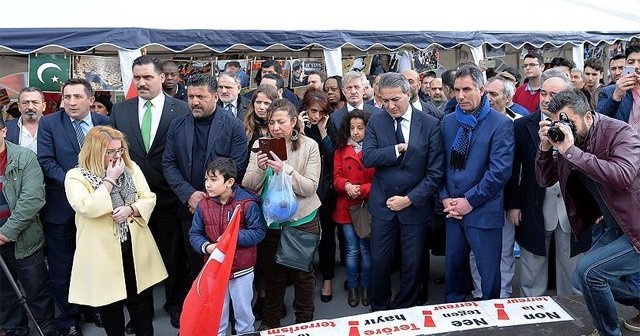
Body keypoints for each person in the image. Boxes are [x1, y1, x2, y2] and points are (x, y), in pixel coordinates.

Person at [536, 89, 640, 336]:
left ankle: (607, 332)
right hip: (616, 223)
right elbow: (544, 180)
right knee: (581, 278)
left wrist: (571, 151)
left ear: (589, 117)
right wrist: (543, 147)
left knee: (590, 273)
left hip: (635, 224)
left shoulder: (621, 132)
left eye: (569, 121)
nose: (564, 128)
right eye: (559, 122)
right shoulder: (566, 141)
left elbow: (623, 176)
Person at [110, 54, 190, 330]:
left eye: (147, 77)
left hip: (169, 197)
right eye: (137, 78)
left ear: (162, 78)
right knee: (136, 260)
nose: (141, 83)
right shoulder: (120, 110)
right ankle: (140, 312)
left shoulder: (180, 110)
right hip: (132, 203)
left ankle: (176, 304)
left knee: (173, 256)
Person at [64, 126, 167, 336]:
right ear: (95, 150)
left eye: (119, 150)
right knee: (110, 308)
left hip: (134, 248)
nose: (116, 156)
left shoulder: (131, 167)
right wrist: (110, 180)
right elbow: (87, 207)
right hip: (102, 254)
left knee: (141, 304)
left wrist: (131, 209)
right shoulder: (75, 176)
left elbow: (149, 197)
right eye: (110, 151)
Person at [162, 74, 248, 323]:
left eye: (201, 96)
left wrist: (209, 198)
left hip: (222, 212)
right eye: (191, 96)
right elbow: (169, 163)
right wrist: (189, 194)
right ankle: (197, 316)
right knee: (193, 264)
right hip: (188, 209)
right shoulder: (177, 125)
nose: (195, 101)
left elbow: (237, 166)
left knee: (222, 269)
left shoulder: (232, 126)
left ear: (215, 96)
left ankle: (222, 318)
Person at [362, 72, 444, 311]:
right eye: (384, 100)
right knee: (379, 260)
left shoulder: (430, 124)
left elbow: (435, 173)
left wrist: (409, 199)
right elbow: (368, 157)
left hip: (414, 206)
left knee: (412, 263)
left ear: (408, 93)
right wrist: (395, 150)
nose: (390, 105)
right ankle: (379, 307)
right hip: (383, 206)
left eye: (395, 99)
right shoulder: (377, 121)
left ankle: (406, 307)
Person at [505, 70, 588, 298]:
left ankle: (572, 321)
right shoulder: (522, 126)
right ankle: (530, 318)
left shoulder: (580, 125)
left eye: (554, 94)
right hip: (535, 207)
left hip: (572, 210)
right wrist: (513, 204)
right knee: (532, 272)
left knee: (572, 274)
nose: (546, 98)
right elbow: (513, 169)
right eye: (543, 93)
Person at [37, 78, 110, 336]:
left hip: (98, 208)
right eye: (67, 97)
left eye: (77, 97)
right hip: (62, 209)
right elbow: (45, 161)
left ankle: (93, 308)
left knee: (94, 262)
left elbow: (113, 159)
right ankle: (68, 318)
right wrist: (76, 184)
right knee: (63, 266)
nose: (71, 102)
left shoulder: (104, 124)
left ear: (91, 100)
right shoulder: (49, 123)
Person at [242, 99, 321, 329]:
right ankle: (270, 323)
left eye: (281, 122)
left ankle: (303, 322)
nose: (275, 128)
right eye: (271, 122)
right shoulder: (260, 144)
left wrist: (285, 170)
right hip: (270, 224)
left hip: (301, 222)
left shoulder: (309, 146)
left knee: (301, 275)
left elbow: (309, 188)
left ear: (294, 121)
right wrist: (261, 166)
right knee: (272, 277)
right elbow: (248, 185)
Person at [440, 65, 514, 302]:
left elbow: (499, 172)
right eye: (457, 90)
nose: (460, 95)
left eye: (467, 89)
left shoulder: (501, 124)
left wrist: (469, 202)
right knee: (453, 271)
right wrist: (445, 198)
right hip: (452, 210)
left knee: (489, 277)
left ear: (481, 90)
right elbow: (441, 165)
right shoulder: (448, 122)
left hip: (483, 211)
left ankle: (491, 320)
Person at [189, 158, 266, 336]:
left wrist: (232, 237)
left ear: (229, 182)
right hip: (215, 270)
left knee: (244, 316)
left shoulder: (247, 204)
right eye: (206, 179)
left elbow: (258, 233)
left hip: (242, 271)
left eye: (214, 180)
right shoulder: (203, 205)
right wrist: (207, 247)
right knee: (217, 318)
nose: (208, 185)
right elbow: (194, 234)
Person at [0, 117, 57, 336]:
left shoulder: (25, 157)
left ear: (4, 131)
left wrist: (6, 232)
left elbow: (32, 199)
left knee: (37, 290)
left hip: (25, 239)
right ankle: (15, 329)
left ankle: (47, 328)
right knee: (4, 294)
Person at [297, 89, 338, 303]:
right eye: (313, 111)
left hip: (326, 191)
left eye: (321, 112)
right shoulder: (297, 127)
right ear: (305, 109)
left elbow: (334, 160)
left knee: (328, 236)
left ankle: (328, 278)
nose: (316, 116)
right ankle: (304, 278)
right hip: (303, 190)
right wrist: (301, 131)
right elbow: (296, 159)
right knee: (304, 236)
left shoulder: (328, 126)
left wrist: (323, 133)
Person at [332, 109, 374, 307]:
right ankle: (353, 286)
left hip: (366, 206)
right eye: (352, 128)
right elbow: (337, 177)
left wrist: (363, 190)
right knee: (351, 250)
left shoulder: (374, 149)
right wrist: (347, 186)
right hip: (346, 206)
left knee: (366, 250)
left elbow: (381, 179)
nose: (356, 132)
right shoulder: (341, 149)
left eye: (360, 128)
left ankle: (365, 286)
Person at [6, 87, 45, 153]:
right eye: (25, 103)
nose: (30, 107)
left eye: (35, 102)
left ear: (43, 106)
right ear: (19, 107)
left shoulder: (55, 128)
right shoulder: (6, 128)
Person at [244, 84, 280, 150]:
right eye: (258, 102)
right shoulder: (244, 125)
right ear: (253, 103)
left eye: (266, 103)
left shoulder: (281, 127)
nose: (261, 107)